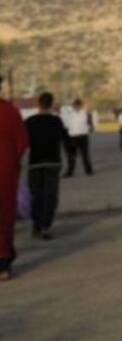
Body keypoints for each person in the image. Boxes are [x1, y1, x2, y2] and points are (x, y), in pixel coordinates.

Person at [24, 92, 68, 240]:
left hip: (35, 163)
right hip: (53, 162)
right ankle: (46, 226)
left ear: (39, 103)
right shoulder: (56, 121)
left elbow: (22, 141)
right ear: (51, 104)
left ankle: (36, 226)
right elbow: (66, 140)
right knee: (50, 196)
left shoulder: (30, 121)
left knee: (36, 195)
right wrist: (72, 154)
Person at [0, 77, 29, 280]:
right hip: (6, 171)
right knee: (5, 216)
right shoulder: (10, 111)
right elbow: (22, 142)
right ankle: (4, 263)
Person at [61, 97, 94, 177]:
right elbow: (66, 125)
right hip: (72, 137)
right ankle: (70, 172)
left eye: (78, 105)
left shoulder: (86, 113)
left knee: (85, 154)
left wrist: (91, 127)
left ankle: (88, 170)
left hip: (83, 136)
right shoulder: (69, 115)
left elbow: (90, 124)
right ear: (73, 106)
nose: (76, 107)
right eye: (75, 105)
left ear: (81, 105)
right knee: (71, 155)